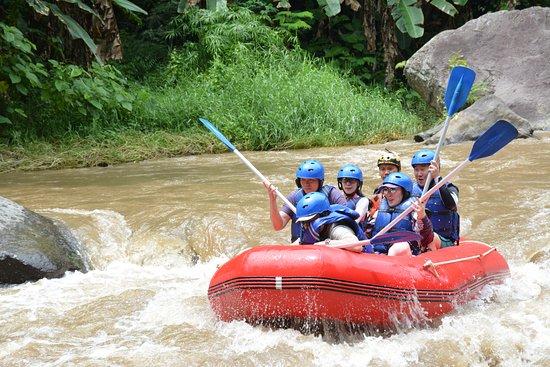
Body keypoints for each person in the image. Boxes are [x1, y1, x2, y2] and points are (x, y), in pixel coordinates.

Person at [265, 159, 346, 243]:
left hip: (327, 245)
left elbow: (345, 218)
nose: (306, 184)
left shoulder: (332, 194)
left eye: (311, 180)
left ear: (320, 181)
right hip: (301, 247)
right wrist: (272, 200)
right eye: (303, 180)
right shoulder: (294, 197)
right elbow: (278, 226)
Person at [369, 172, 440, 256]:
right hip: (378, 253)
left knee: (400, 247)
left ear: (404, 192)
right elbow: (367, 232)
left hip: (404, 255)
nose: (388, 194)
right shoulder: (379, 210)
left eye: (392, 189)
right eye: (385, 189)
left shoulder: (413, 212)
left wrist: (422, 216)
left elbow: (427, 238)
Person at [411, 149, 459, 248]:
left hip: (443, 240)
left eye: (423, 169)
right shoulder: (409, 190)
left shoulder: (450, 188)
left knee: (431, 238)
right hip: (419, 240)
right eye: (416, 169)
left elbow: (452, 204)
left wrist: (437, 178)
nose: (419, 174)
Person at [295, 192, 366, 251]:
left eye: (310, 220)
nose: (306, 225)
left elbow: (357, 246)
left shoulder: (338, 228)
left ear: (324, 215)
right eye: (304, 222)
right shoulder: (311, 230)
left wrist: (325, 244)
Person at [336, 164, 370, 230]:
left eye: (352, 180)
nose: (348, 184)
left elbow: (355, 221)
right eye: (345, 180)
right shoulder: (337, 198)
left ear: (358, 184)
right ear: (341, 183)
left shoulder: (363, 201)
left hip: (356, 236)